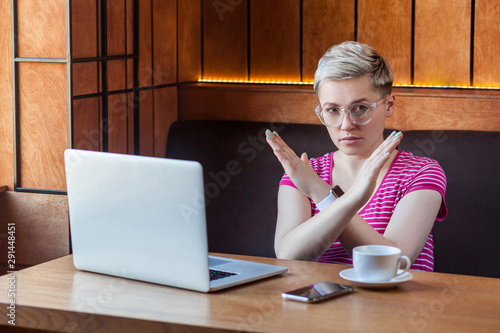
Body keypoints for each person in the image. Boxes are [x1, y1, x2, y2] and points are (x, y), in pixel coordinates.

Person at [265, 41, 447, 272]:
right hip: (320, 304)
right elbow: (288, 256)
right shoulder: (303, 172)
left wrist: (321, 193)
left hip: (395, 307)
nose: (346, 125)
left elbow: (393, 264)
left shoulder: (421, 173)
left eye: (360, 108)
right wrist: (347, 197)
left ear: (389, 105)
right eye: (332, 110)